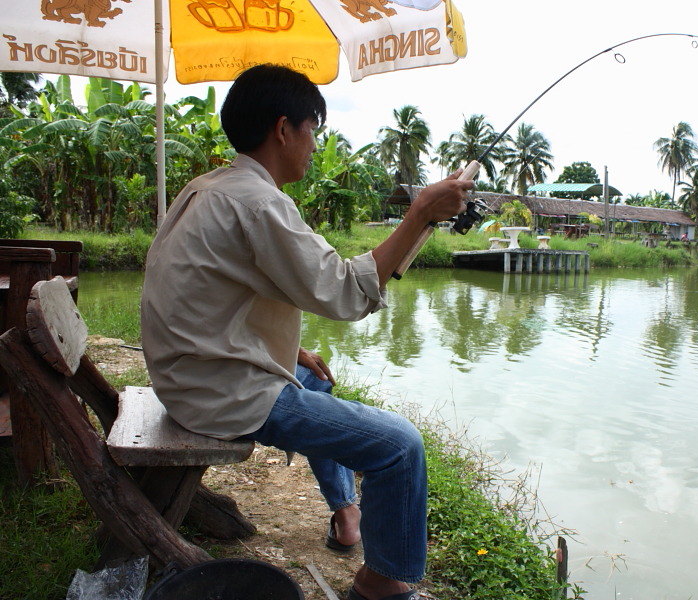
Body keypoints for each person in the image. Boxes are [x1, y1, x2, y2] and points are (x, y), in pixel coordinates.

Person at [140, 64, 473, 600]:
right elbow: (344, 293)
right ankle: (380, 584)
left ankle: (346, 511)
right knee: (400, 446)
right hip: (215, 393)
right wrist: (418, 215)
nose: (315, 144)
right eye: (313, 129)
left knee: (313, 378)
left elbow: (209, 294)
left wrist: (288, 348)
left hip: (185, 374)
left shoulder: (208, 189)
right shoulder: (259, 202)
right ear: (283, 129)